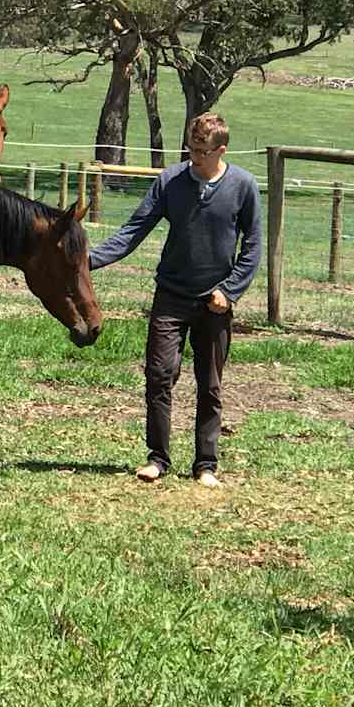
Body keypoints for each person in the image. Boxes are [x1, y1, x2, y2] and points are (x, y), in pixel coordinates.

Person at [88, 112, 262, 487]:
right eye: (190, 148)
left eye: (201, 151)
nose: (193, 157)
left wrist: (229, 292)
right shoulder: (170, 182)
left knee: (210, 384)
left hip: (215, 303)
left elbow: (252, 247)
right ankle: (157, 458)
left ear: (221, 150)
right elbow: (132, 231)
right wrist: (86, 262)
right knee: (159, 376)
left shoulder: (243, 186)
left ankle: (206, 464)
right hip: (171, 296)